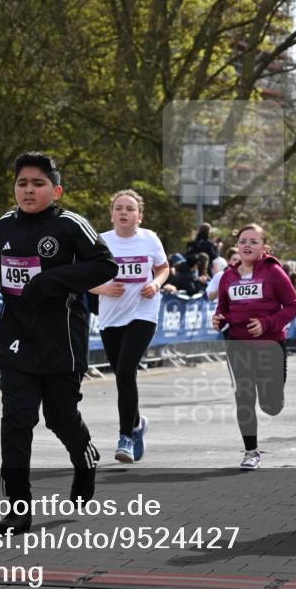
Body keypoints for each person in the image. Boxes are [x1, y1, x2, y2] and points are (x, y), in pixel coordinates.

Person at [0, 152, 117, 535]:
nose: (28, 190)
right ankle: (17, 506)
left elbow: (106, 266)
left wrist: (50, 283)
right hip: (17, 337)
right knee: (16, 421)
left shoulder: (71, 225)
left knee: (60, 417)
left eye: (38, 184)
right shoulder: (5, 224)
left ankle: (85, 460)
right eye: (22, 183)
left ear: (55, 190)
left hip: (61, 340)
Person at [212, 223, 296, 469]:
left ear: (264, 247)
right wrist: (219, 320)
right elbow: (223, 308)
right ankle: (251, 451)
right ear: (237, 247)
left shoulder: (273, 272)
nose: (247, 245)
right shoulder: (228, 276)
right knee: (244, 396)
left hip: (270, 345)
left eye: (253, 241)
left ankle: (273, 397)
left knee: (270, 406)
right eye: (242, 241)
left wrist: (267, 324)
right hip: (238, 344)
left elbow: (294, 305)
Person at [91, 189, 169, 463]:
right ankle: (137, 424)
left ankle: (125, 436)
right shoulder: (100, 242)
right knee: (123, 376)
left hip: (143, 311)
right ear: (112, 214)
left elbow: (163, 268)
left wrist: (155, 284)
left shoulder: (150, 239)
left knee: (126, 370)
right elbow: (81, 278)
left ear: (139, 216)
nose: (124, 212)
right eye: (119, 208)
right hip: (111, 316)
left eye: (130, 208)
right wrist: (104, 288)